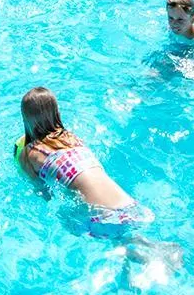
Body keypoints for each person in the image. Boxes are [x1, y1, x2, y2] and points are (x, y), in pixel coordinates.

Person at [16, 87, 157, 239]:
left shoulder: (29, 153)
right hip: (129, 204)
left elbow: (42, 191)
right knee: (132, 240)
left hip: (99, 213)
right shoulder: (72, 138)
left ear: (26, 119)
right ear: (57, 113)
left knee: (75, 225)